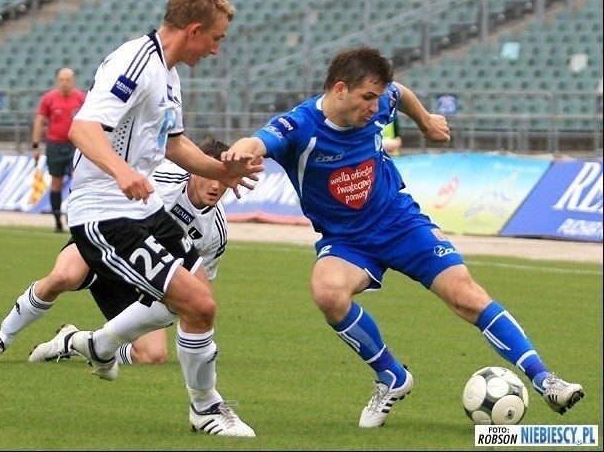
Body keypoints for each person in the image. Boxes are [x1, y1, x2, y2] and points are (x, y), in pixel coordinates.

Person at [221, 45, 584, 428]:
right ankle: (391, 376)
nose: (376, 108)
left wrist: (426, 121)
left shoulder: (382, 99)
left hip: (399, 222)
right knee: (328, 292)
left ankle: (547, 381)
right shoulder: (300, 127)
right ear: (340, 89)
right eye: (367, 98)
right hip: (347, 241)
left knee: (466, 296)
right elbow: (256, 142)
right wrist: (236, 156)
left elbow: (401, 92)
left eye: (378, 98)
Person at [59, 0, 260, 437]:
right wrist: (121, 171)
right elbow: (83, 127)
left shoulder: (169, 75)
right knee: (198, 302)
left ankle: (98, 345)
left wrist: (221, 171)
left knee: (189, 299)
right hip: (104, 212)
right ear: (193, 29)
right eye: (216, 38)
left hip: (140, 209)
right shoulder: (136, 61)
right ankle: (205, 409)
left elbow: (172, 144)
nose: (215, 50)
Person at [0, 138, 231, 367]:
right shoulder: (162, 174)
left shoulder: (216, 232)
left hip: (141, 277)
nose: (216, 186)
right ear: (195, 170)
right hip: (109, 237)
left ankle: (74, 343)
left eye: (224, 180)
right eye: (210, 174)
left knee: (152, 356)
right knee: (64, 276)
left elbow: (198, 289)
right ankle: (1, 338)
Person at [32, 67, 86, 233]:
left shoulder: (81, 98)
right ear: (58, 81)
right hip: (55, 145)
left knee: (76, 181)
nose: (64, 83)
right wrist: (36, 145)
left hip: (75, 145)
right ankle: (57, 221)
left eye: (67, 80)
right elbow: (40, 121)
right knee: (56, 183)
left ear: (73, 81)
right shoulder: (49, 99)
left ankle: (73, 217)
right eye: (61, 80)